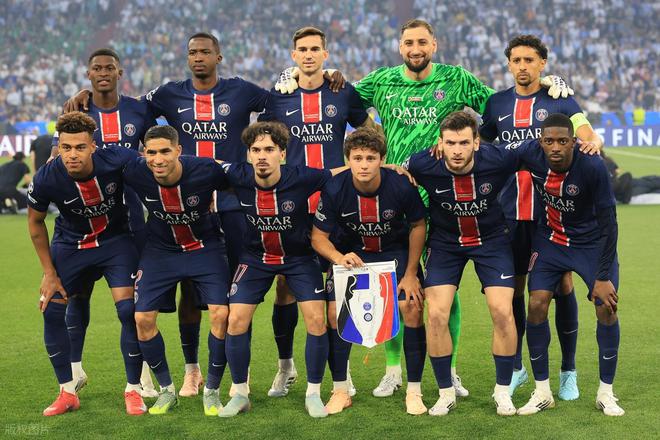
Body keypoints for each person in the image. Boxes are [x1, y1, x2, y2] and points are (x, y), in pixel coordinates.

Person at [278, 19, 573, 398]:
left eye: (422, 42)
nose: (415, 49)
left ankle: (450, 371)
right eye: (408, 43)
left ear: (434, 45)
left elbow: (504, 104)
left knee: (438, 288)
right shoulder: (381, 80)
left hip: (440, 199)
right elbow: (337, 94)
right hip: (389, 196)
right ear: (400, 47)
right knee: (389, 282)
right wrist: (302, 73)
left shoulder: (456, 78)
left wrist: (546, 89)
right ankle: (393, 370)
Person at [479, 35, 603, 399]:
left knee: (561, 286)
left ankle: (568, 372)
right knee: (515, 289)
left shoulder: (558, 98)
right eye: (516, 60)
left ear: (542, 64)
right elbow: (483, 145)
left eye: (529, 60)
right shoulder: (497, 103)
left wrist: (592, 140)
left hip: (551, 212)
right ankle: (518, 367)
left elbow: (585, 131)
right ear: (509, 64)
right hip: (509, 211)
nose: (522, 66)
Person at [257, 26, 377, 398]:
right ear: (293, 56)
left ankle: (342, 373)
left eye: (315, 49)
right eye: (302, 49)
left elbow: (368, 131)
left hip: (337, 202)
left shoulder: (342, 91)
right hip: (293, 205)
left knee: (341, 285)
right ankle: (285, 367)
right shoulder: (279, 96)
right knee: (285, 287)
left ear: (325, 54)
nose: (308, 54)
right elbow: (260, 139)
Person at [55, 48, 159, 397]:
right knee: (77, 296)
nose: (103, 73)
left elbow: (153, 150)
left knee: (133, 305)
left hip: (129, 222)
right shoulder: (77, 110)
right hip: (81, 223)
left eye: (109, 68)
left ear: (120, 72)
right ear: (88, 74)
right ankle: (75, 371)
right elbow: (57, 158)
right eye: (96, 68)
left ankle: (141, 377)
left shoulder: (139, 109)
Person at [26, 112, 146, 416]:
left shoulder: (117, 159)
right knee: (52, 308)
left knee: (128, 311)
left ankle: (133, 389)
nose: (72, 155)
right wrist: (48, 273)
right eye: (66, 148)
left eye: (80, 147)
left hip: (115, 242)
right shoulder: (47, 177)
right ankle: (67, 391)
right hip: (71, 245)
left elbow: (154, 169)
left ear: (93, 146)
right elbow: (35, 223)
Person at [403, 111, 521, 416]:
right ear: (440, 143)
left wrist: (587, 140)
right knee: (437, 314)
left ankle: (503, 391)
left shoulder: (499, 159)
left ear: (477, 143)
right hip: (445, 244)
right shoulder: (423, 164)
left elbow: (536, 152)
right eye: (451, 143)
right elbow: (396, 172)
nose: (457, 150)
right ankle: (445, 393)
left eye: (464, 143)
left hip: (492, 241)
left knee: (502, 311)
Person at [513, 113, 624, 417]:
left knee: (606, 306)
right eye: (549, 141)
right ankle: (542, 392)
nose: (555, 147)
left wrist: (603, 275)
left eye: (563, 141)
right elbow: (494, 158)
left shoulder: (592, 166)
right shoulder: (530, 153)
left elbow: (610, 224)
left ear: (574, 142)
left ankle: (606, 393)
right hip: (551, 240)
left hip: (591, 244)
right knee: (536, 303)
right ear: (541, 142)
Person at [311, 127, 427, 415]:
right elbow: (318, 237)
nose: (364, 165)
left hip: (393, 253)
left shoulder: (400, 185)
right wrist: (338, 258)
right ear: (348, 159)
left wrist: (411, 273)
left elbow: (418, 225)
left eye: (371, 158)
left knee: (411, 306)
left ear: (382, 160)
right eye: (358, 158)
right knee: (334, 313)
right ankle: (340, 390)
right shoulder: (335, 188)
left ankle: (414, 391)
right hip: (352, 255)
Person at [124, 125, 232, 415]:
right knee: (142, 317)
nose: (158, 159)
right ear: (143, 154)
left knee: (221, 314)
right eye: (151, 153)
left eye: (165, 151)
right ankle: (167, 390)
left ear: (178, 151)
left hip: (205, 248)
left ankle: (212, 391)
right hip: (161, 251)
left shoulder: (206, 169)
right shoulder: (134, 170)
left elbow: (240, 181)